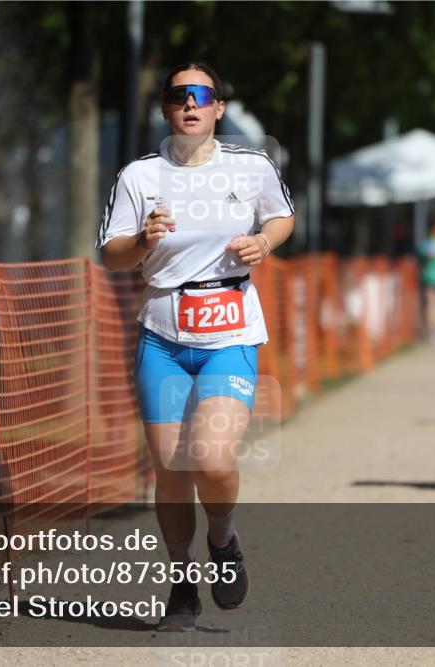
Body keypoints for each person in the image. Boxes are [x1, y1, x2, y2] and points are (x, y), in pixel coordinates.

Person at [96, 62, 295, 630]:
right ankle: (182, 580)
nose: (191, 103)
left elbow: (283, 218)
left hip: (229, 331)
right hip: (162, 334)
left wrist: (262, 242)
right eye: (179, 95)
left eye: (202, 95)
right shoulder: (139, 176)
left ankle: (225, 541)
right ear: (165, 109)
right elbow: (111, 253)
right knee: (171, 471)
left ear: (219, 108)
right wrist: (142, 240)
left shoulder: (251, 165)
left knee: (211, 458)